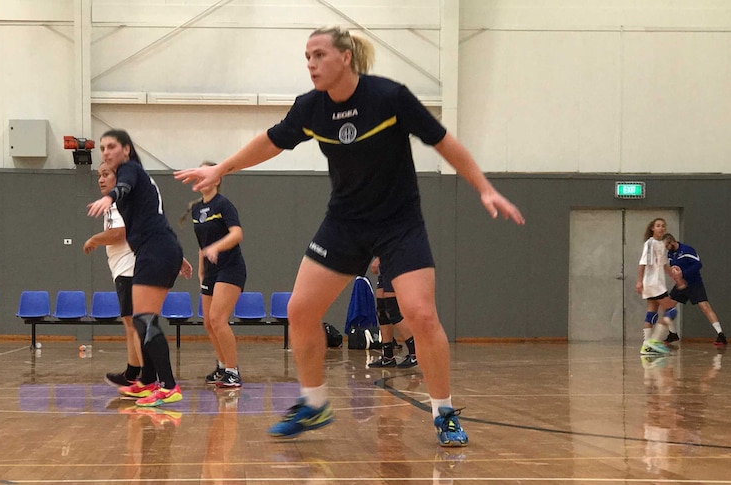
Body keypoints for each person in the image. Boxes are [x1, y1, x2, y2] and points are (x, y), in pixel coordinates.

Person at [174, 25, 524, 446]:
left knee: (421, 314)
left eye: (319, 55)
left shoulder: (389, 97)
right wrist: (221, 168)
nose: (311, 64)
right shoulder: (311, 108)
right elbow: (271, 141)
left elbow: (444, 142)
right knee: (301, 310)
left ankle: (444, 412)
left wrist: (483, 186)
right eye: (307, 57)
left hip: (399, 222)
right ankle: (314, 402)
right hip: (344, 222)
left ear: (346, 58)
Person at [87, 129, 193, 407]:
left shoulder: (130, 171)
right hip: (159, 250)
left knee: (144, 319)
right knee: (139, 319)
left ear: (126, 150)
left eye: (111, 146)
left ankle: (168, 386)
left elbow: (124, 185)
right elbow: (154, 218)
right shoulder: (139, 180)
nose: (106, 152)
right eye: (102, 148)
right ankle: (146, 382)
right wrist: (176, 257)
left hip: (157, 252)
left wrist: (109, 197)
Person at [180, 161, 247, 388]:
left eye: (205, 174)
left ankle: (233, 371)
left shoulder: (224, 205)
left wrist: (217, 247)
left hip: (231, 268)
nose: (200, 178)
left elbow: (237, 234)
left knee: (219, 319)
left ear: (216, 179)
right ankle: (221, 366)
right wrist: (201, 272)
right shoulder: (197, 209)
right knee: (208, 322)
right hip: (210, 271)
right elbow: (203, 245)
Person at [83, 161, 143, 387]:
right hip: (123, 269)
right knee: (130, 322)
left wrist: (94, 239)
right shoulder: (117, 204)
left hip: (130, 269)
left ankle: (146, 377)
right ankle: (133, 371)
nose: (100, 179)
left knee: (135, 323)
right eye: (99, 175)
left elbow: (118, 233)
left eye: (105, 174)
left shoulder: (118, 203)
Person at [662, 233, 727, 346]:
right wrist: (676, 275)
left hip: (694, 283)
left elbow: (698, 264)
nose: (666, 249)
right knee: (667, 306)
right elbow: (673, 268)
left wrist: (684, 272)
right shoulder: (670, 254)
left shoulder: (687, 250)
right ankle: (672, 334)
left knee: (705, 307)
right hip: (681, 284)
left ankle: (720, 334)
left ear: (671, 242)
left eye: (666, 246)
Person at [635, 218, 678, 355]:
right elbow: (643, 263)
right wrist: (639, 281)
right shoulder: (650, 244)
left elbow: (665, 265)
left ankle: (646, 346)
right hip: (652, 283)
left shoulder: (661, 244)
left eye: (663, 226)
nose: (661, 228)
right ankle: (654, 341)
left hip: (658, 284)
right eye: (658, 226)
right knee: (671, 309)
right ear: (652, 228)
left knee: (651, 314)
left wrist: (677, 278)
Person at [368, 256, 417, 368]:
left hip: (396, 262)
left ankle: (415, 352)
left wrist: (379, 258)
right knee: (382, 311)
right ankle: (388, 356)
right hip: (386, 265)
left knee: (392, 310)